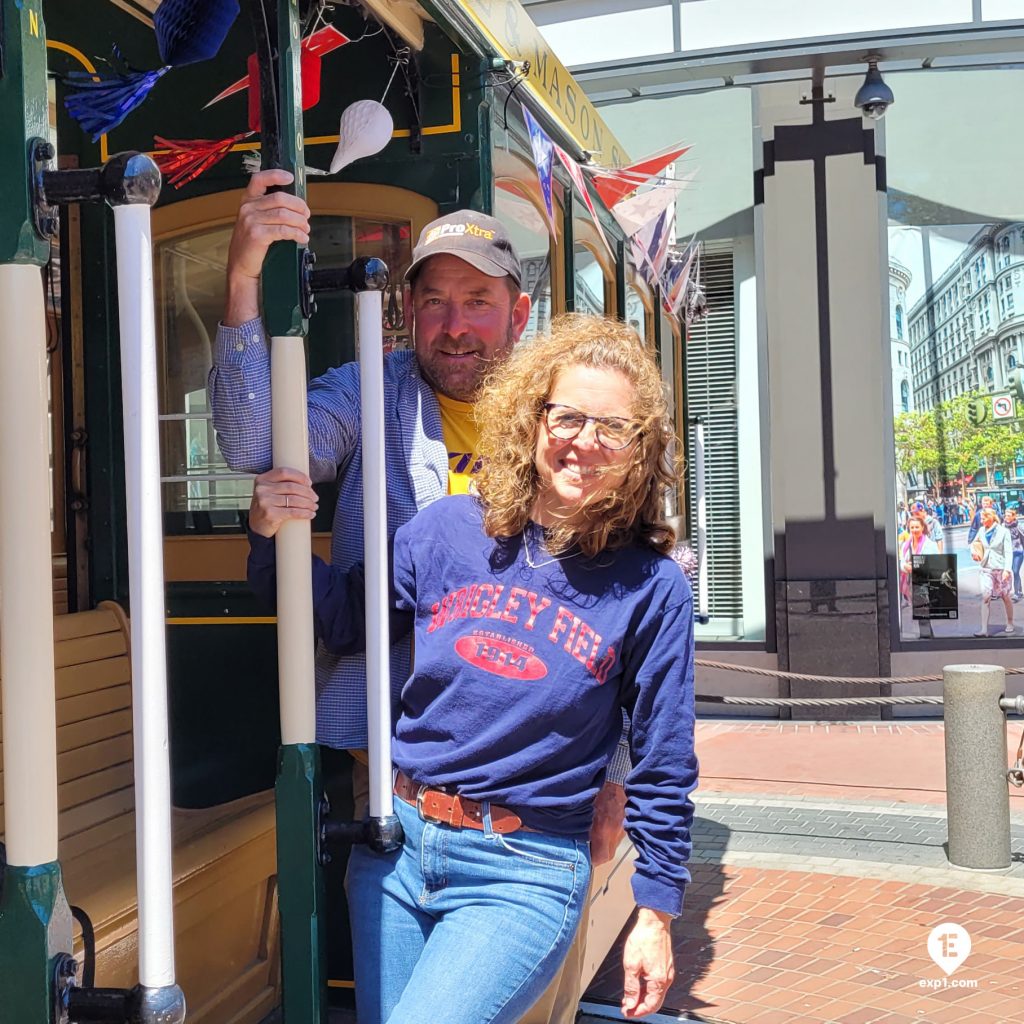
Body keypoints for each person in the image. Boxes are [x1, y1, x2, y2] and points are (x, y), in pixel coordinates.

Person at [210, 170, 628, 1023]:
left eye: (478, 299)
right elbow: (256, 440)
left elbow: (613, 610)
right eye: (434, 301)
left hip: (530, 801)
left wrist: (616, 784)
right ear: (406, 313)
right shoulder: (376, 385)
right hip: (401, 785)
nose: (455, 323)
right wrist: (245, 273)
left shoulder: (567, 417)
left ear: (519, 313)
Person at [247, 314, 698, 1023]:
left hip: (525, 870)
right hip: (396, 848)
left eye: (613, 428)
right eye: (569, 415)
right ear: (532, 418)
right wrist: (273, 535)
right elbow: (343, 621)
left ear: (641, 452)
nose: (585, 441)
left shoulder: (651, 587)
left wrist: (656, 911)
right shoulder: (446, 532)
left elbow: (665, 757)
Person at [971, 505, 1015, 637]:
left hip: (1000, 568)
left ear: (991, 517)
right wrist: (974, 552)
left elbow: (1008, 552)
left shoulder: (1003, 531)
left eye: (984, 517)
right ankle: (984, 629)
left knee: (1005, 596)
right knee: (986, 596)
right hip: (986, 568)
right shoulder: (981, 531)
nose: (982, 520)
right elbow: (974, 543)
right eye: (981, 518)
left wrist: (1007, 569)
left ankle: (1010, 622)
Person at [898, 513, 938, 608]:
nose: (914, 530)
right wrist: (904, 566)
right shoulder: (905, 546)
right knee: (921, 614)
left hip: (925, 584)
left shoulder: (930, 545)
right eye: (912, 527)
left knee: (923, 616)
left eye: (917, 527)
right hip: (911, 583)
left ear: (922, 527)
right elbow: (900, 562)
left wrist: (915, 567)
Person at [1004, 506, 1024, 601]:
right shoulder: (1003, 527)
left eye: (1009, 515)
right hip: (1008, 553)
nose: (1006, 517)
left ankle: (1016, 594)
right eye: (1006, 515)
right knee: (1013, 572)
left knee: (1015, 571)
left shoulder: (1018, 526)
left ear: (1013, 516)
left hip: (1018, 552)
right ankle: (1019, 591)